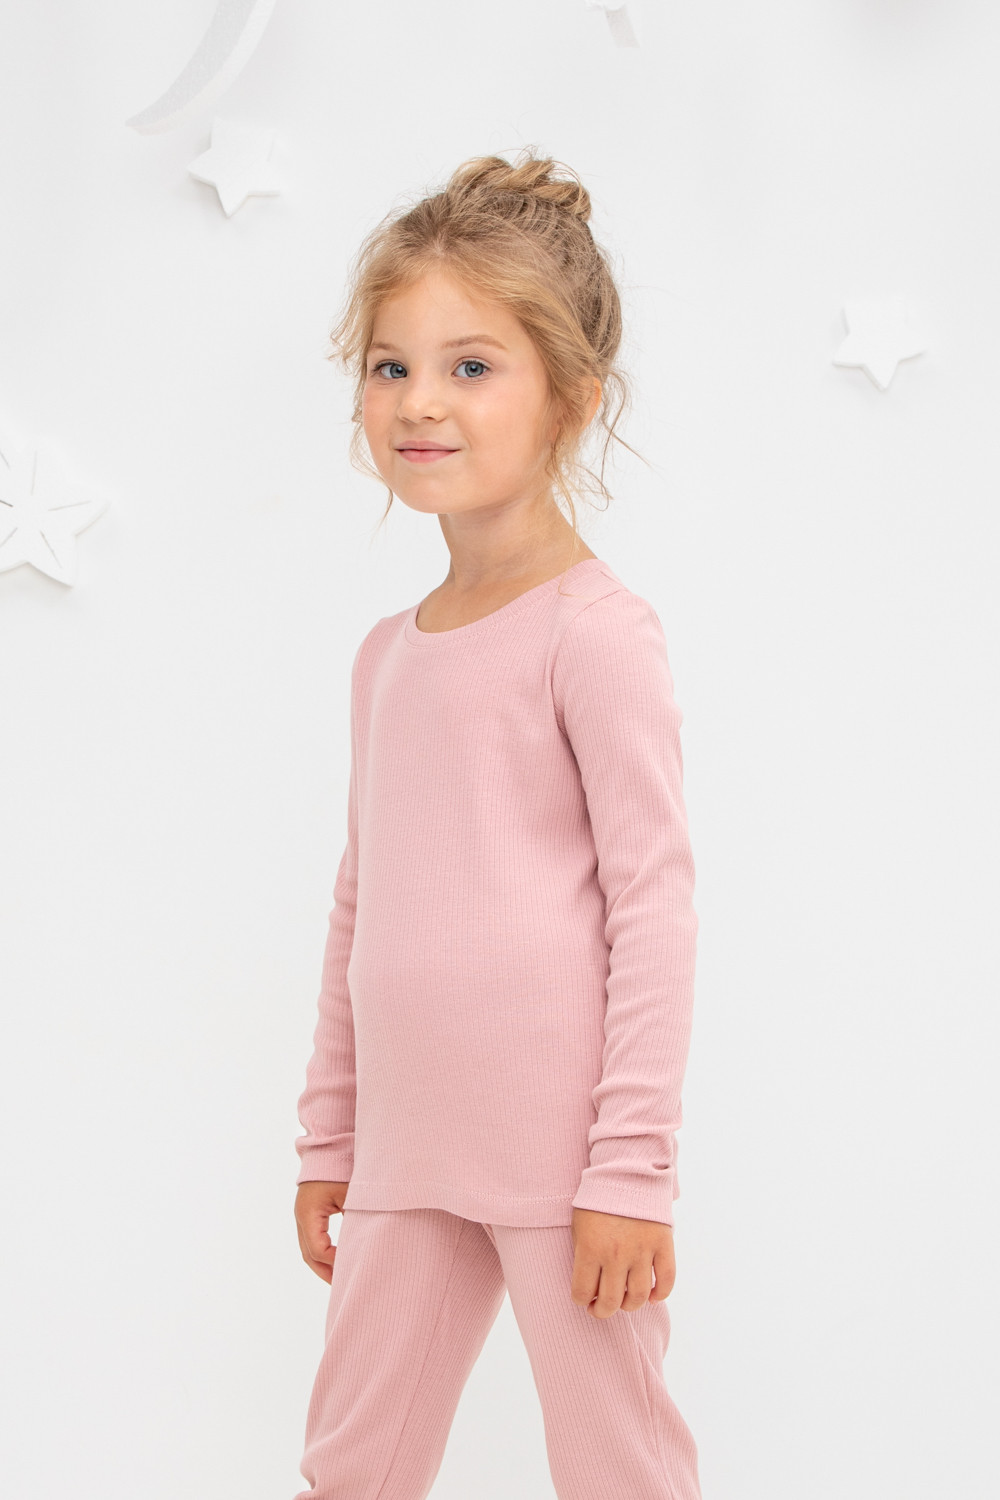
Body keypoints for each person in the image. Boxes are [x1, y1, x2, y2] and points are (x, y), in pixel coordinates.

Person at [291, 149, 703, 1500]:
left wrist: (629, 1172)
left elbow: (653, 906)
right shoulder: (384, 654)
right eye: (391, 365)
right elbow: (364, 905)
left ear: (571, 399)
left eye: (471, 366)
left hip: (561, 1157)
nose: (420, 401)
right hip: (408, 1147)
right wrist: (333, 1136)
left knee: (617, 1467)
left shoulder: (596, 633)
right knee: (353, 1466)